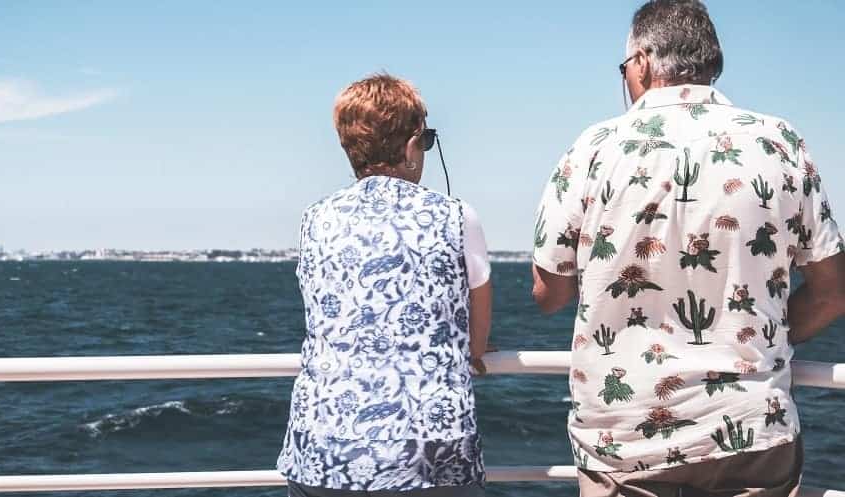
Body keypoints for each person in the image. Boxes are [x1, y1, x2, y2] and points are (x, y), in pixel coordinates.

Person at [530, 1, 845, 495]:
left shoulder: (592, 149)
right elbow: (832, 291)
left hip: (622, 438)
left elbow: (548, 294)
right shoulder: (778, 142)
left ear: (642, 62)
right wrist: (760, 337)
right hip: (748, 428)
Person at [278, 73, 492, 497]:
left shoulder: (314, 218)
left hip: (323, 449)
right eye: (426, 140)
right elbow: (477, 341)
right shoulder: (455, 216)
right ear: (411, 146)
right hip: (430, 454)